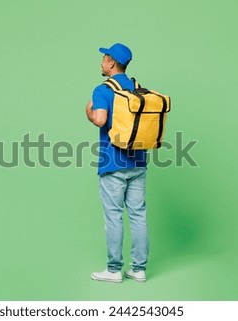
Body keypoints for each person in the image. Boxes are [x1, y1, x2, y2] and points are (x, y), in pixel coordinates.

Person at [85, 43, 149, 283]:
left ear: (111, 63)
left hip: (113, 163)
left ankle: (113, 270)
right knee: (138, 215)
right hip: (139, 161)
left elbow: (100, 120)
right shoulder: (137, 88)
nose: (101, 63)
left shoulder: (102, 90)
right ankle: (139, 269)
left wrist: (89, 113)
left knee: (114, 216)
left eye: (104, 59)